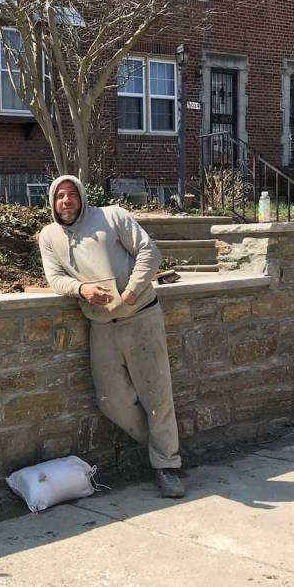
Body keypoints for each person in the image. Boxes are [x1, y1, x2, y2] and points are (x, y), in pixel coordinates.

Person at [37, 175, 185, 498]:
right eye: (59, 196)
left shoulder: (113, 216)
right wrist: (82, 289)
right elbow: (55, 278)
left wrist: (130, 293)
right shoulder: (49, 236)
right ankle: (159, 447)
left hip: (141, 316)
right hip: (101, 325)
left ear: (82, 196)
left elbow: (149, 252)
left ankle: (167, 466)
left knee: (157, 395)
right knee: (110, 400)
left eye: (71, 194)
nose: (66, 200)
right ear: (52, 202)